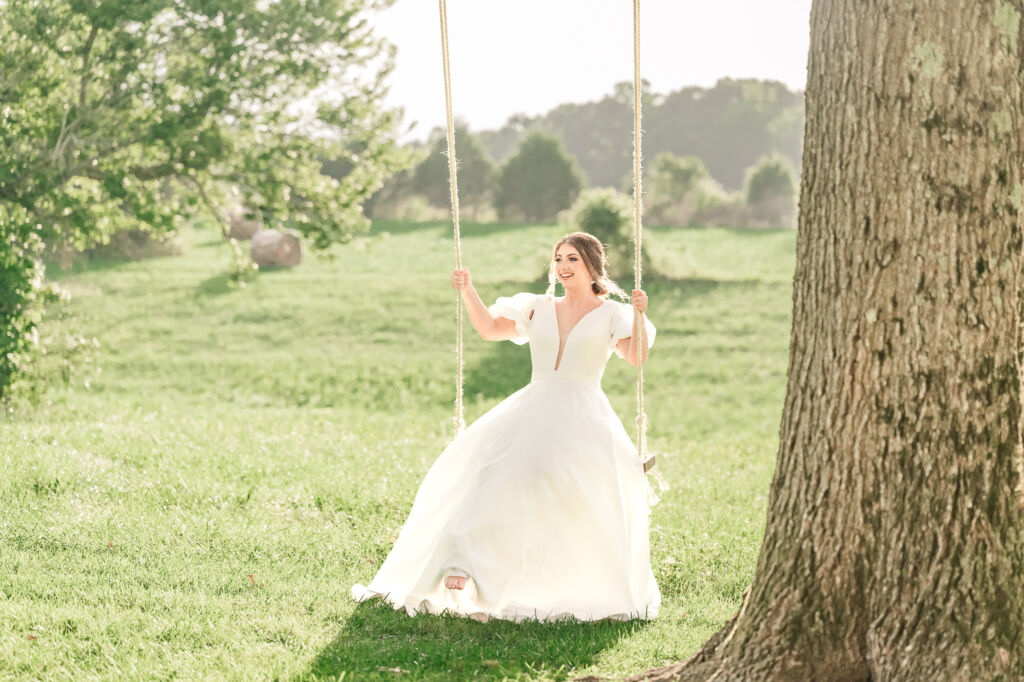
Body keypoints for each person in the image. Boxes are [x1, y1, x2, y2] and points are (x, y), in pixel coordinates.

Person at [351, 231, 660, 622]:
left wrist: (639, 316)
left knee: (570, 490)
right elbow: (490, 330)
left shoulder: (612, 314)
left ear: (592, 266)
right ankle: (463, 561)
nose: (563, 267)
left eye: (572, 260)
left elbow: (636, 359)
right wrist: (468, 290)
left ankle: (558, 581)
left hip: (583, 414)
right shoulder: (537, 308)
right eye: (559, 259)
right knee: (493, 472)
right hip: (533, 405)